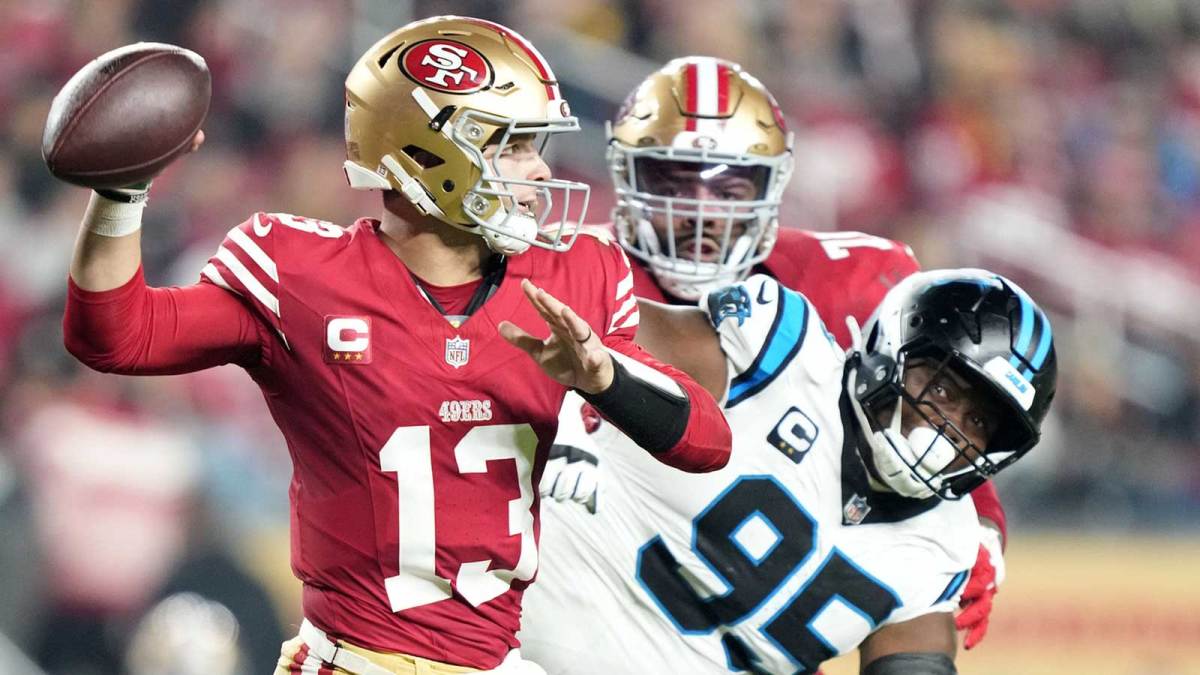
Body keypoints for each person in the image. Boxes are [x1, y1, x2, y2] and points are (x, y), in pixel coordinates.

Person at [58, 17, 731, 674]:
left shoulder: (570, 277)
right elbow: (118, 336)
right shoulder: (303, 274)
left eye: (536, 146)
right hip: (353, 661)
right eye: (511, 146)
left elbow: (706, 441)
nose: (538, 173)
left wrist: (605, 377)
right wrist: (122, 193)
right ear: (425, 154)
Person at [535, 57, 1007, 649]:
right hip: (591, 610)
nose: (699, 214)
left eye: (729, 188)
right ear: (626, 178)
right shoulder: (567, 272)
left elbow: (946, 428)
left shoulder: (855, 281)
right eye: (672, 183)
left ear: (772, 186)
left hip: (767, 615)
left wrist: (982, 526)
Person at [522, 269, 1057, 674]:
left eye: (980, 421)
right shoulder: (778, 358)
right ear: (891, 349)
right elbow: (586, 325)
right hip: (524, 636)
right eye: (941, 388)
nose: (950, 429)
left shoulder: (945, 546)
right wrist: (567, 424)